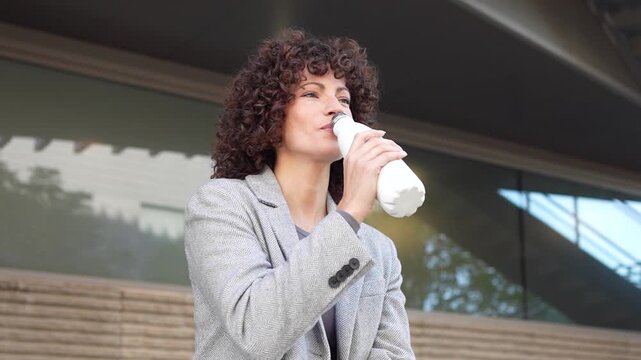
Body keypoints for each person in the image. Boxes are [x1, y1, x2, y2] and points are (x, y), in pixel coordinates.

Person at [184, 29, 416, 360]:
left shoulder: (379, 250)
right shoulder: (222, 205)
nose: (335, 108)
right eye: (311, 93)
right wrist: (349, 211)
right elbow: (259, 328)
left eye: (344, 98)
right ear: (271, 112)